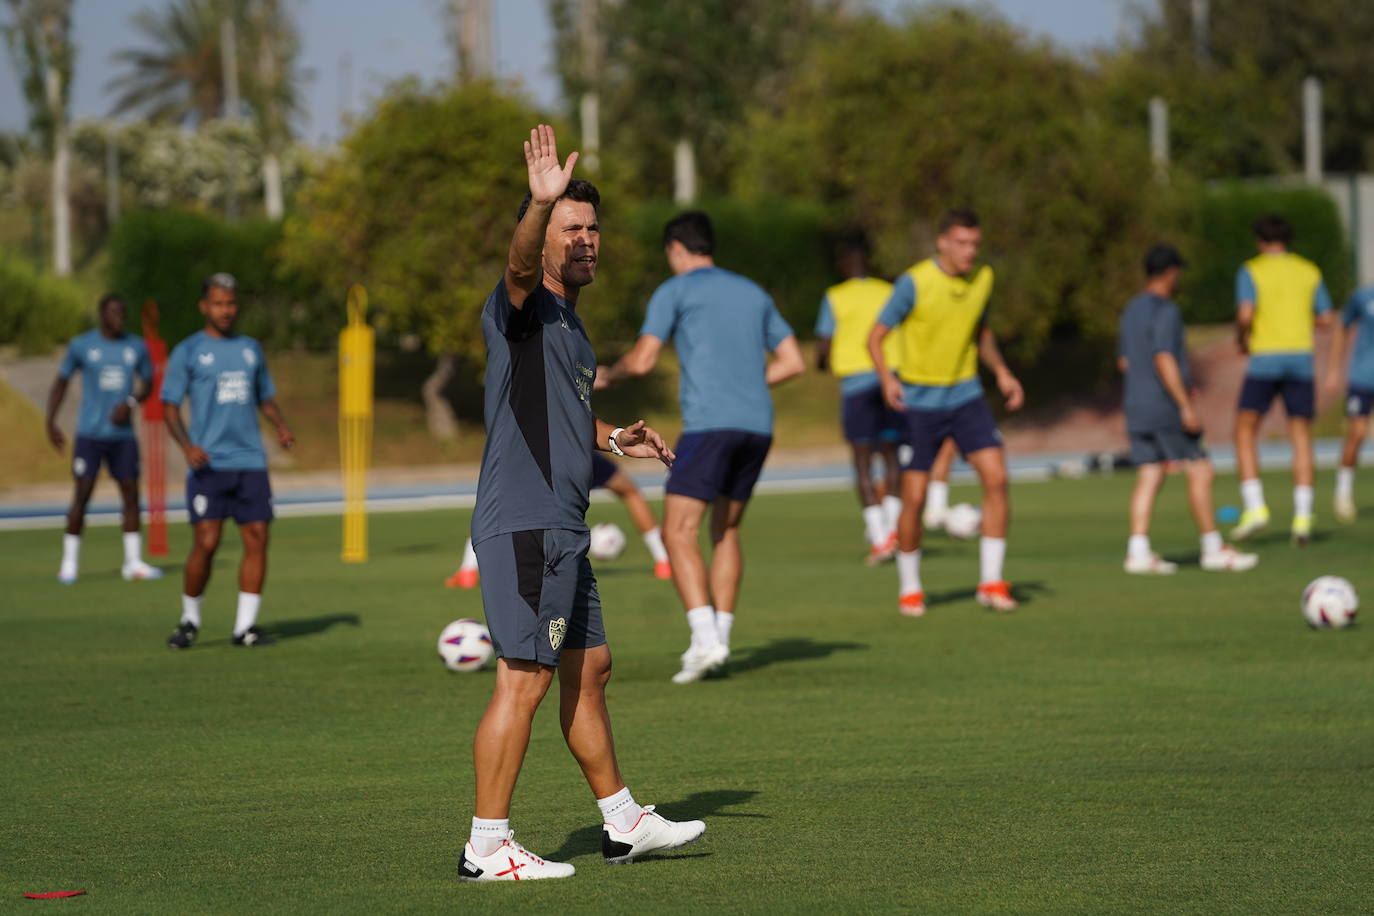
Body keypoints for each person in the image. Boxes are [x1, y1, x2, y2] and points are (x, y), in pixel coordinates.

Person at [459, 125, 702, 883]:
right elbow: (519, 264)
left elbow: (560, 418)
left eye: (594, 228)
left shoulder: (573, 328)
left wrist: (614, 437)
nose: (588, 240)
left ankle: (624, 823)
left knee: (590, 667)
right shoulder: (523, 305)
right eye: (573, 229)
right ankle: (486, 845)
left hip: (565, 525)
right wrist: (536, 209)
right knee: (523, 678)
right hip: (526, 522)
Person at [598, 210, 806, 684]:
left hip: (711, 426)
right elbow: (793, 362)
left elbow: (646, 358)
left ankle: (705, 640)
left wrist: (610, 372)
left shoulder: (675, 290)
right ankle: (721, 640)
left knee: (677, 532)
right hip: (758, 426)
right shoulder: (753, 292)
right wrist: (749, 384)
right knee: (726, 531)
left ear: (675, 248)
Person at [867, 208, 1024, 616]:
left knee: (997, 477)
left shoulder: (983, 279)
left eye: (975, 244)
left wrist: (1003, 372)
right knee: (914, 499)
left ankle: (991, 582)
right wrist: (887, 379)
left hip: (967, 396)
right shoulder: (914, 282)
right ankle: (910, 587)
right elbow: (876, 337)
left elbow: (980, 331)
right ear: (942, 242)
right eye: (961, 243)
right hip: (919, 403)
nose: (969, 251)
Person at [160, 273, 296, 650]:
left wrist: (281, 427)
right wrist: (186, 446)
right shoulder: (188, 351)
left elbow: (264, 396)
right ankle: (190, 620)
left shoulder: (250, 348)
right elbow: (169, 406)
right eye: (218, 303)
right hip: (209, 463)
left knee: (258, 538)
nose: (225, 310)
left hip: (250, 460)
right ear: (205, 306)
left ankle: (245, 628)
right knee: (207, 541)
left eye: (231, 303)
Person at [1117, 245, 1258, 574]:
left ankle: (1137, 552)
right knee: (1200, 470)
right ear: (1170, 273)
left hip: (1136, 404)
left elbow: (1124, 361)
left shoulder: (1130, 311)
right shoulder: (1165, 311)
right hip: (1164, 405)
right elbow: (1164, 357)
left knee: (1150, 474)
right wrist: (1184, 405)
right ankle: (1213, 548)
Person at [1230, 213, 1335, 546]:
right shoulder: (1308, 270)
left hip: (1265, 357)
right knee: (1301, 434)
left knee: (1244, 430)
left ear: (1259, 241)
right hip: (1301, 358)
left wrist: (1242, 338)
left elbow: (1246, 314)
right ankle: (1303, 516)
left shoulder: (1252, 270)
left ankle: (1256, 507)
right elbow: (1327, 318)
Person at [45, 294, 162, 584]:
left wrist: (132, 402)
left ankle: (133, 562)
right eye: (113, 312)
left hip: (122, 436)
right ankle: (69, 563)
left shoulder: (135, 346)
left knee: (131, 495)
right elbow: (61, 381)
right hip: (90, 434)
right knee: (82, 495)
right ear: (101, 314)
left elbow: (148, 382)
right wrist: (50, 421)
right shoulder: (82, 345)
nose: (119, 317)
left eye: (123, 312)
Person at [446, 452, 671, 588]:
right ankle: (663, 561)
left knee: (496, 504)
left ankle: (468, 571)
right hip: (577, 453)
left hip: (537, 455)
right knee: (629, 491)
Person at [814, 234, 903, 563]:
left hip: (856, 385)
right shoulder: (889, 291)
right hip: (891, 380)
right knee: (893, 457)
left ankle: (880, 538)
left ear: (843, 265)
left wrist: (823, 363)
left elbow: (824, 342)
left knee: (863, 462)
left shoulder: (835, 296)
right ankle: (894, 528)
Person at [1325, 283, 1374, 521]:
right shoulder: (1363, 296)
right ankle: (1343, 493)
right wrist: (1334, 369)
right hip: (1362, 377)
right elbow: (1341, 327)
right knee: (1357, 434)